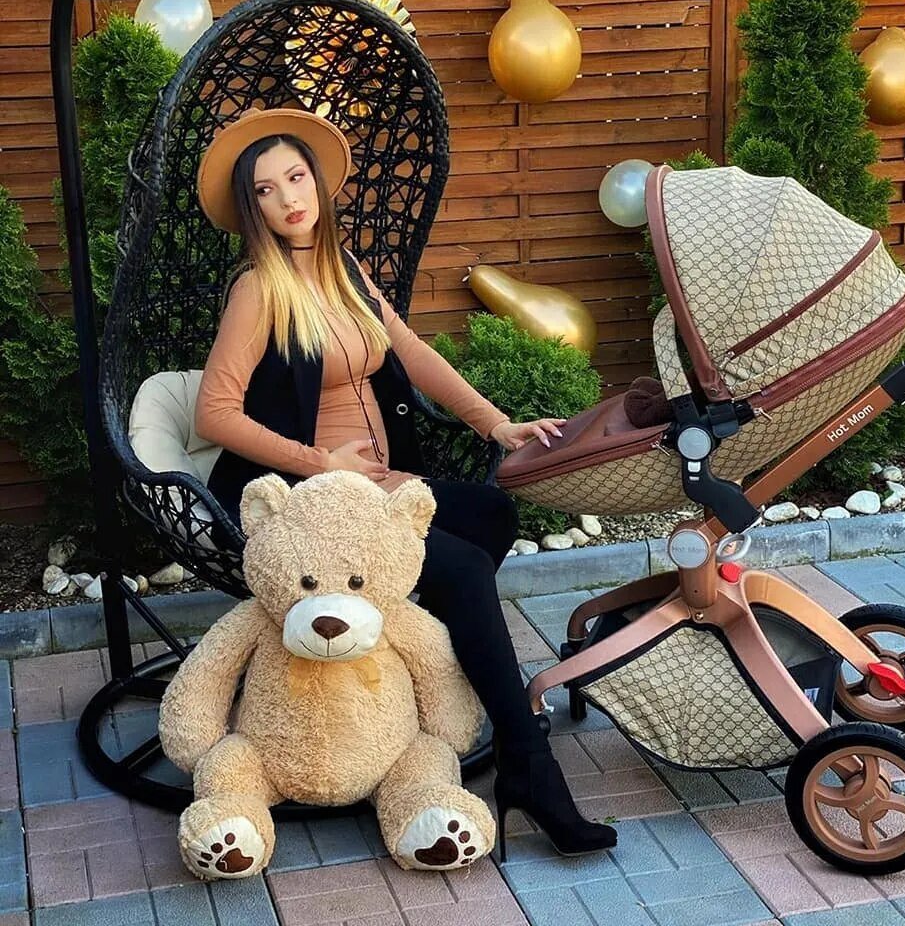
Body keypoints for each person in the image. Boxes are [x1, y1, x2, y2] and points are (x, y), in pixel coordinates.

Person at [193, 107, 617, 859]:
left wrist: (496, 423)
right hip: (315, 505)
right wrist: (322, 463)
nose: (288, 198)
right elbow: (215, 413)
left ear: (319, 183)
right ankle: (526, 761)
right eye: (265, 190)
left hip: (377, 487)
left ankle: (417, 674)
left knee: (490, 515)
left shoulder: (346, 271)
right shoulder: (257, 291)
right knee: (461, 568)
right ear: (252, 209)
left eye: (296, 177)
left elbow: (413, 352)